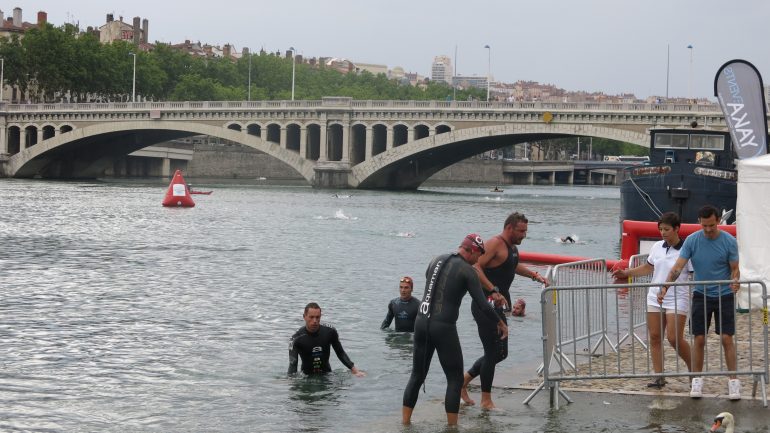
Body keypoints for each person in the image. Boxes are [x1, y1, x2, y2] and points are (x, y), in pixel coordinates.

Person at [402, 234, 507, 426]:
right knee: (455, 379)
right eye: (479, 255)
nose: (478, 260)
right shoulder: (468, 271)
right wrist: (500, 322)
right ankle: (452, 427)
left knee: (417, 375)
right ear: (472, 251)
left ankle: (405, 423)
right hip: (443, 327)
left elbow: (430, 283)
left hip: (421, 322)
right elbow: (483, 305)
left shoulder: (436, 259)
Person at [460, 212, 548, 409]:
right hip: (485, 304)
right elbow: (476, 266)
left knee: (501, 353)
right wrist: (492, 289)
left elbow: (513, 265)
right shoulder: (494, 244)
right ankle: (486, 400)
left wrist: (535, 276)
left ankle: (463, 381)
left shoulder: (511, 247)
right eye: (521, 230)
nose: (524, 234)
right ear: (509, 228)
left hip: (497, 306)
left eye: (526, 230)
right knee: (492, 352)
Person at [662, 205, 739, 400]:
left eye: (712, 225)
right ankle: (696, 380)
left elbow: (735, 269)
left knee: (726, 339)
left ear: (718, 222)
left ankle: (733, 382)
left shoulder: (729, 241)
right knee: (699, 339)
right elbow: (678, 267)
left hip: (724, 295)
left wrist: (736, 281)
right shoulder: (692, 240)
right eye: (704, 225)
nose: (708, 229)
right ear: (699, 222)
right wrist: (665, 287)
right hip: (700, 294)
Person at [611, 212, 692, 389]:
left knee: (674, 338)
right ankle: (659, 376)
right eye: (661, 229)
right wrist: (626, 273)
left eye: (667, 229)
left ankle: (694, 371)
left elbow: (693, 275)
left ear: (677, 229)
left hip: (677, 298)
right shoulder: (657, 247)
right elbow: (648, 267)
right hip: (654, 296)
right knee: (655, 337)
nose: (663, 233)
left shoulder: (687, 250)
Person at [288, 302, 365, 377]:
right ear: (304, 317)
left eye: (317, 317)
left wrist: (355, 371)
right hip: (307, 378)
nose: (314, 321)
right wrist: (290, 381)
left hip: (327, 375)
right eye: (311, 317)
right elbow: (293, 364)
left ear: (320, 316)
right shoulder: (296, 338)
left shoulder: (330, 331)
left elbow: (340, 353)